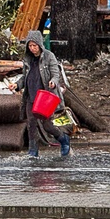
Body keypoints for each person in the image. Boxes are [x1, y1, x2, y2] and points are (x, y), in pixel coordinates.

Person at [9, 29, 71, 157]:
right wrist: (16, 85)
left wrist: (53, 82)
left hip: (44, 97)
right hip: (30, 96)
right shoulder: (28, 59)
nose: (32, 48)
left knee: (47, 125)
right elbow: (24, 77)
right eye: (30, 46)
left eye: (34, 45)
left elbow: (55, 73)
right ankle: (33, 151)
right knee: (31, 124)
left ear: (40, 45)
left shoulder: (49, 56)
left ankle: (63, 139)